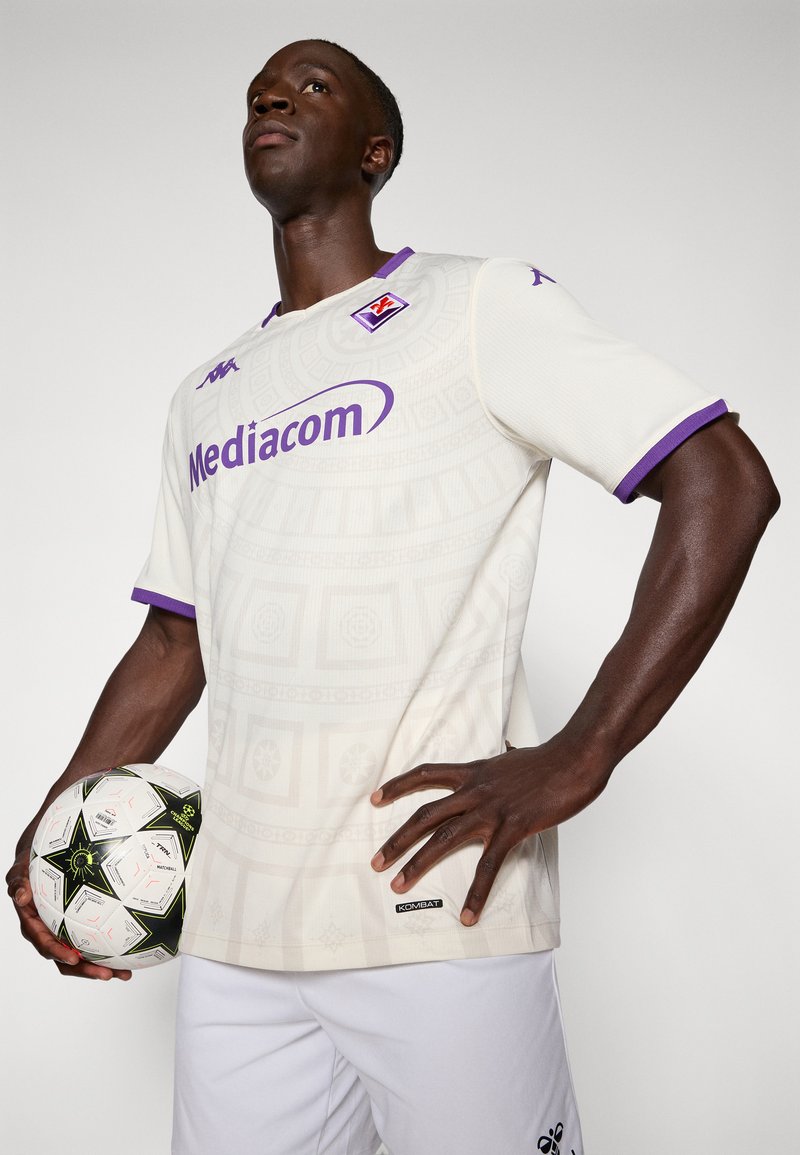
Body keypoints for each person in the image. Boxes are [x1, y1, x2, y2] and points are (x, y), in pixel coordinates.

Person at [7, 36, 779, 1155]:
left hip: (432, 916)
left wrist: (585, 751)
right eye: (258, 94)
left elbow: (725, 482)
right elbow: (175, 642)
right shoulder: (204, 396)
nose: (272, 99)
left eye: (310, 86)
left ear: (375, 152)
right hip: (234, 933)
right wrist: (55, 825)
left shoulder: (474, 305)